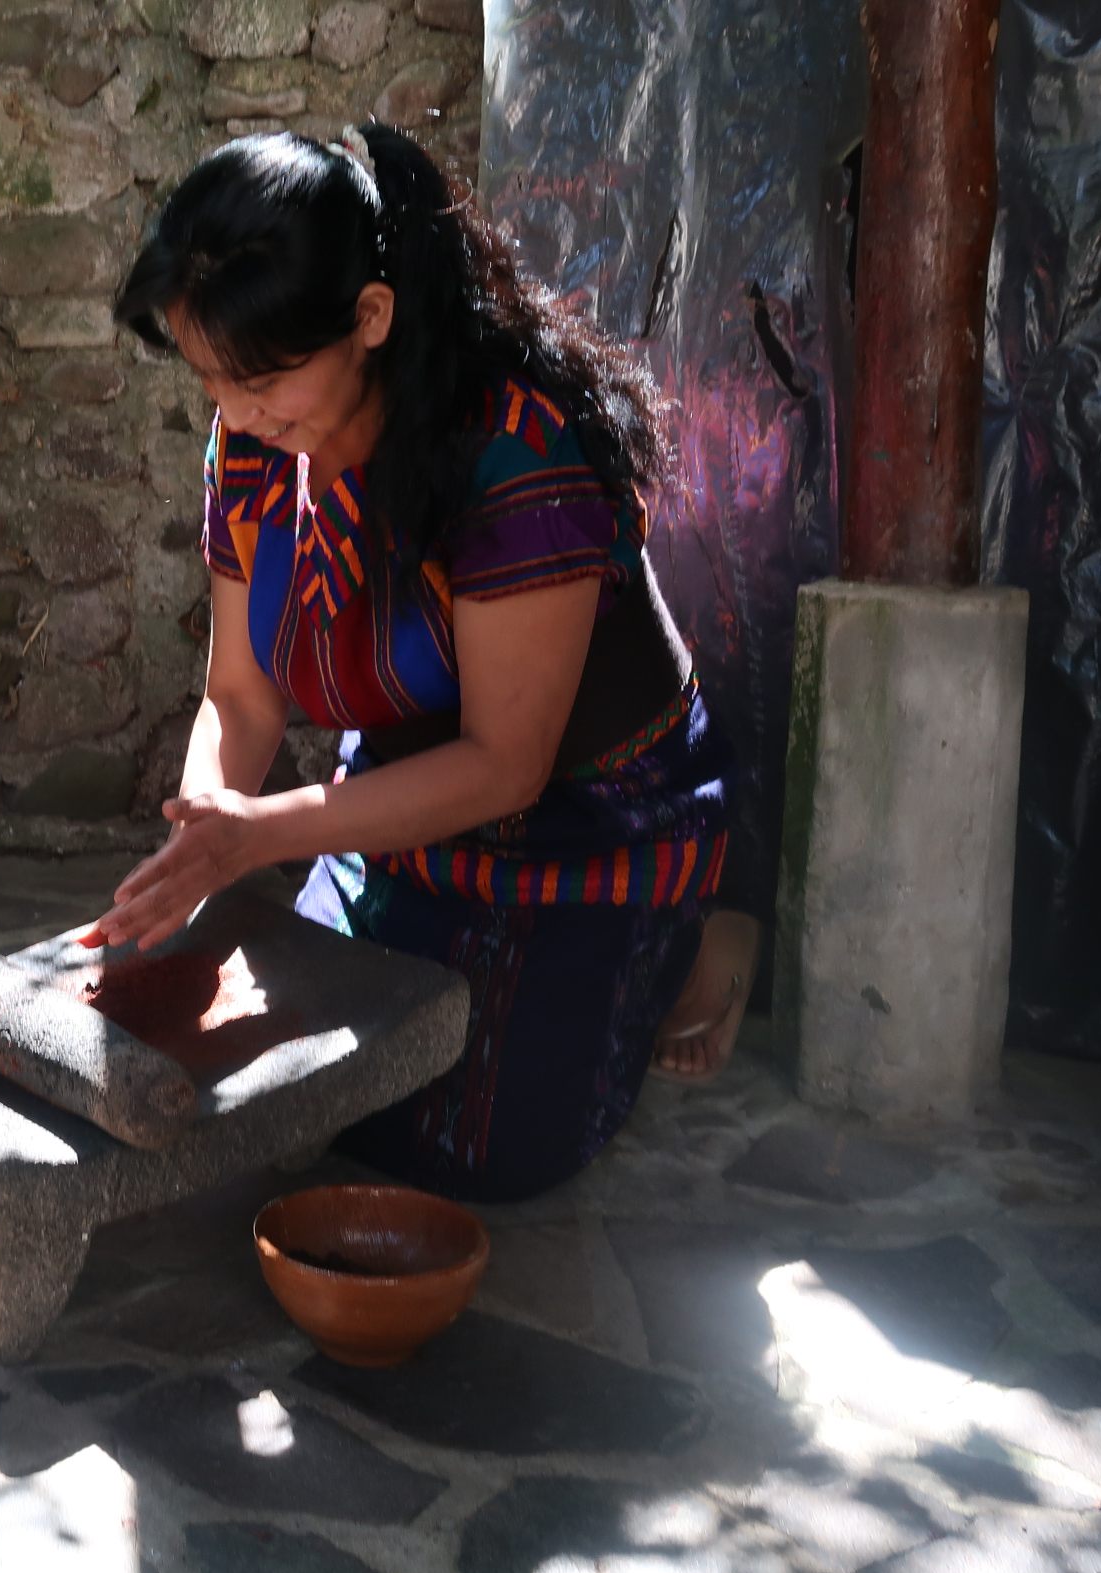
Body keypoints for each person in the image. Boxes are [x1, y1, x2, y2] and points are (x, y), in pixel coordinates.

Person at [94, 121, 756, 1203]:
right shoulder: (253, 442)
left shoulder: (511, 444)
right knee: (298, 1097)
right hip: (402, 796)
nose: (238, 415)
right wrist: (201, 834)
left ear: (370, 319)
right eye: (214, 380)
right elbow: (242, 693)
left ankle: (707, 934)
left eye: (262, 379)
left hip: (591, 815)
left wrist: (260, 838)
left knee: (469, 1151)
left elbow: (507, 765)